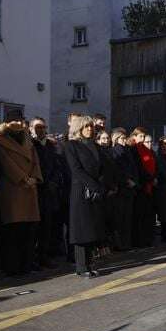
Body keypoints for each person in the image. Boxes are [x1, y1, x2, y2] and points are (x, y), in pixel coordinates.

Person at [0, 118, 43, 276]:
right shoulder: (0, 141)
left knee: (28, 231)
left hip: (30, 188)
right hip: (14, 189)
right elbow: (6, 163)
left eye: (22, 120)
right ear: (7, 123)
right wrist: (23, 178)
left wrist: (35, 177)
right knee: (13, 232)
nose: (20, 124)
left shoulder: (27, 140)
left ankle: (26, 265)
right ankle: (12, 267)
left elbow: (36, 161)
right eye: (16, 120)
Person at [63, 115, 107, 277]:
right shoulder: (71, 146)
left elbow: (102, 167)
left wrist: (100, 185)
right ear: (78, 129)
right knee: (81, 230)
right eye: (86, 126)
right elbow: (76, 169)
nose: (90, 129)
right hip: (81, 191)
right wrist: (94, 185)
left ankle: (90, 263)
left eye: (91, 126)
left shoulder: (94, 145)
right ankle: (81, 267)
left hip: (95, 192)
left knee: (92, 229)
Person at [30, 117, 60, 269]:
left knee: (47, 226)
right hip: (35, 190)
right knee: (34, 227)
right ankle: (32, 258)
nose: (40, 130)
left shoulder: (50, 145)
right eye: (37, 127)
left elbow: (56, 165)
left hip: (49, 191)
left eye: (42, 127)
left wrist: (53, 182)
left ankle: (44, 256)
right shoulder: (30, 145)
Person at [110, 128, 139, 250]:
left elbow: (132, 167)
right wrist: (127, 180)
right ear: (116, 139)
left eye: (124, 138)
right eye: (121, 138)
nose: (124, 140)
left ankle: (126, 243)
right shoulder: (115, 151)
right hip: (122, 188)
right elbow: (117, 170)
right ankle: (120, 244)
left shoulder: (126, 150)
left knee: (127, 217)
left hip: (129, 188)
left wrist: (134, 181)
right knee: (120, 217)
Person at [131, 127, 156, 247]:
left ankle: (147, 239)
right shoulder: (133, 150)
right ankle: (140, 240)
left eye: (143, 136)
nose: (142, 139)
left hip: (149, 185)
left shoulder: (146, 150)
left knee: (147, 214)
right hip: (141, 185)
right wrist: (149, 178)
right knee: (139, 215)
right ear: (134, 137)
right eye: (140, 136)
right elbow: (139, 168)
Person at [154, 136, 166, 244]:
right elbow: (163, 173)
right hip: (164, 189)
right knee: (165, 215)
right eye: (165, 144)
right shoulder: (159, 158)